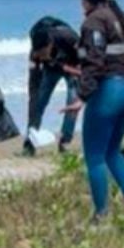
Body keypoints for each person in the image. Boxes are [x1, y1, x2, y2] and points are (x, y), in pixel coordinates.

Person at [61, 0, 124, 224]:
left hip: (110, 92)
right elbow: (116, 55)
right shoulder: (123, 17)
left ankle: (101, 216)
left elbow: (95, 62)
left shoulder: (94, 21)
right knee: (112, 151)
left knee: (94, 156)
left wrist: (81, 97)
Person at [22, 16, 80, 157]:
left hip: (73, 66)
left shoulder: (68, 37)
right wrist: (34, 102)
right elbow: (33, 85)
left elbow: (86, 60)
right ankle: (30, 143)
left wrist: (75, 71)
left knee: (73, 101)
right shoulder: (35, 55)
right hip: (51, 70)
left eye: (43, 54)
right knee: (38, 102)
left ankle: (64, 142)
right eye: (38, 55)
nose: (41, 58)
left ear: (50, 44)